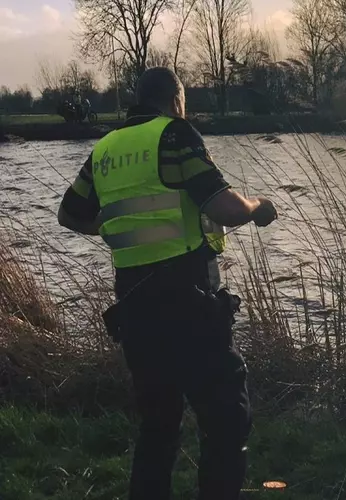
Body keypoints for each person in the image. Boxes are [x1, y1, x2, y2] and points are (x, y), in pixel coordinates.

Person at [57, 67, 278, 500]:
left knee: (158, 424)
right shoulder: (176, 134)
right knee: (226, 419)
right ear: (176, 99)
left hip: (135, 309)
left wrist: (112, 227)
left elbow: (69, 214)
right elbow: (224, 206)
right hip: (189, 304)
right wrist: (257, 207)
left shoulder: (105, 147)